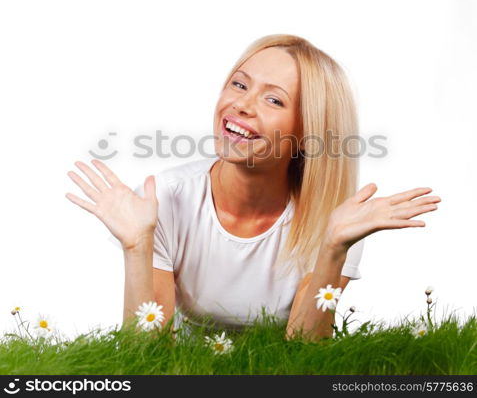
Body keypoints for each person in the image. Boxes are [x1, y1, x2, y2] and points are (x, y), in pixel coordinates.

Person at [65, 34, 441, 342]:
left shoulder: (338, 219)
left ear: (307, 135)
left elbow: (308, 352)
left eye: (274, 99)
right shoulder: (166, 198)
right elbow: (143, 350)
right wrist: (136, 247)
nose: (241, 104)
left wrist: (333, 248)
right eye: (239, 84)